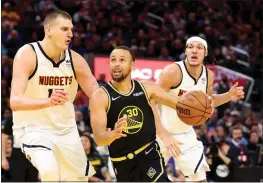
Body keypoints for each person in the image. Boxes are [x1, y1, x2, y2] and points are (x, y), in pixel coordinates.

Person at [10, 10, 99, 181]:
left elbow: (96, 93)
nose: (70, 34)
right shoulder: (28, 54)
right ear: (48, 30)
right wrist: (48, 102)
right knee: (49, 170)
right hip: (33, 128)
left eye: (71, 29)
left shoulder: (76, 60)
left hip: (67, 130)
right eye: (64, 29)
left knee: (78, 179)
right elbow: (15, 101)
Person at [89, 46, 187, 182]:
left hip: (149, 155)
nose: (116, 64)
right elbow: (99, 139)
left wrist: (203, 102)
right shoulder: (100, 96)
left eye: (122, 60)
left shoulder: (147, 88)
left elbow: (180, 105)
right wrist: (114, 134)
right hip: (122, 163)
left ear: (132, 65)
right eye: (113, 60)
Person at [155, 36, 244, 181]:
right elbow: (150, 100)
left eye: (199, 47)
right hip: (159, 133)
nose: (194, 50)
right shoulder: (173, 71)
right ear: (185, 51)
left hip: (185, 134)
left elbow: (205, 103)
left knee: (200, 179)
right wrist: (164, 135)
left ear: (206, 52)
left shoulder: (208, 76)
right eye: (190, 47)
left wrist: (228, 96)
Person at [2, 115, 39, 182]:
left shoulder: (39, 117)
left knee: (33, 180)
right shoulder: (13, 117)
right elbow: (4, 136)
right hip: (17, 154)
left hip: (34, 154)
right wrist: (3, 158)